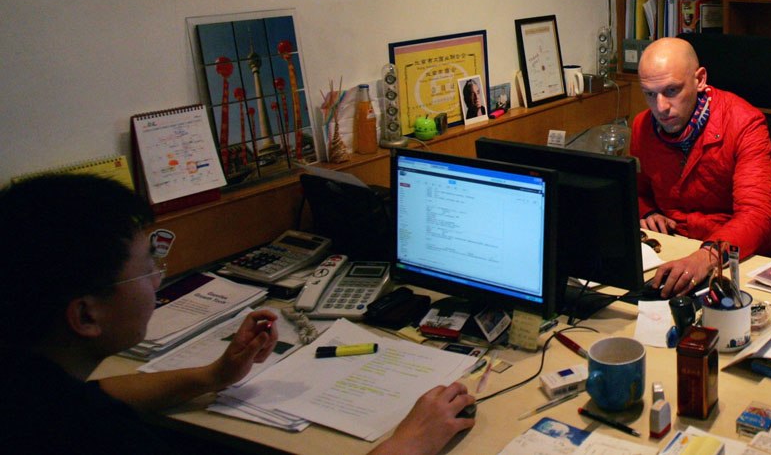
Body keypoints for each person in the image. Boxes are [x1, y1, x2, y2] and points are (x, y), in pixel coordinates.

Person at [1, 174, 475, 454]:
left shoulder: (29, 385)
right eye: (147, 268)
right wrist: (407, 444)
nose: (158, 281)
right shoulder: (87, 438)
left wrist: (214, 374)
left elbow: (99, 394)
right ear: (85, 316)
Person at [630, 38, 771, 298]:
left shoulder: (745, 123)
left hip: (731, 257)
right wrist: (648, 210)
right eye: (650, 94)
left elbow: (758, 213)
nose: (660, 107)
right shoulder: (643, 126)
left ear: (699, 80)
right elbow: (636, 190)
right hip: (672, 249)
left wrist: (705, 257)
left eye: (672, 90)